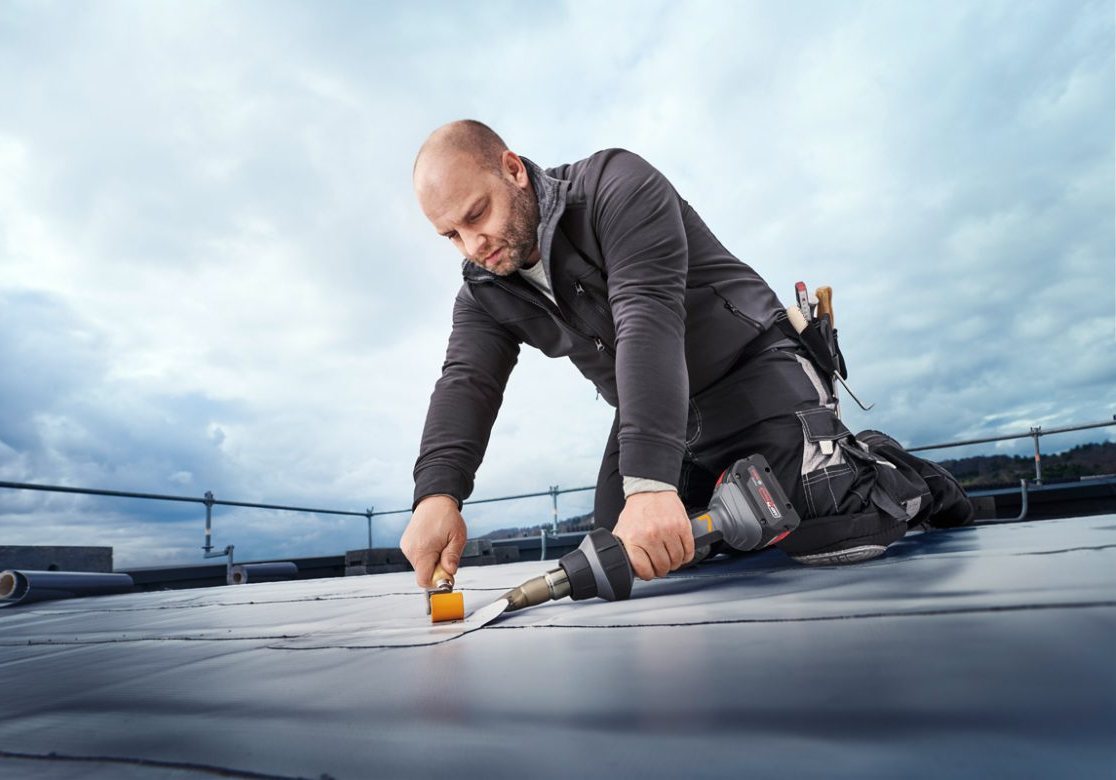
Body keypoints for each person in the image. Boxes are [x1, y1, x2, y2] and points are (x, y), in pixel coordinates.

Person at [400, 119, 972, 588]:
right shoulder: (485, 286)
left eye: (476, 215)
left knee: (839, 525)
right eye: (450, 235)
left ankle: (883, 467)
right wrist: (436, 495)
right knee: (629, 553)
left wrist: (649, 485)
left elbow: (647, 316)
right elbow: (466, 380)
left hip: (750, 364)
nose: (474, 246)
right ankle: (732, 502)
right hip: (665, 412)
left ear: (513, 170)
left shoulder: (616, 186)